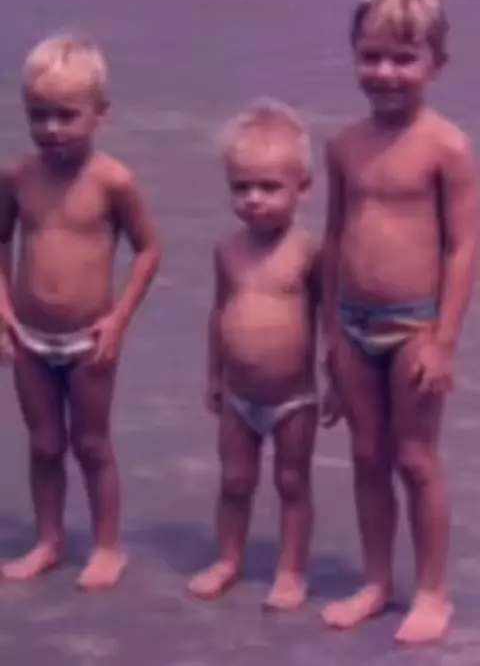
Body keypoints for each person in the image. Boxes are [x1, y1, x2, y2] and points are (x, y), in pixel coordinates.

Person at [320, 0, 477, 644]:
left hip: (414, 324)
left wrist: (443, 341)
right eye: (371, 56)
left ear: (436, 63)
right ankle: (377, 580)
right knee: (365, 456)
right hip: (352, 325)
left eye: (403, 58)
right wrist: (330, 335)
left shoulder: (446, 148)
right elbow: (333, 237)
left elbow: (462, 248)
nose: (384, 72)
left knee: (415, 459)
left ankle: (433, 591)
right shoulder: (343, 145)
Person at [0, 35, 160, 590]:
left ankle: (108, 545)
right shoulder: (17, 178)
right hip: (28, 337)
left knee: (92, 444)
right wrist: (3, 309)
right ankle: (49, 539)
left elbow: (149, 249)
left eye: (66, 115)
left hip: (91, 339)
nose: (51, 128)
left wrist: (118, 320)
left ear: (99, 114)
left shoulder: (113, 181)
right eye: (38, 115)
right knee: (44, 443)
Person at [187, 99, 322, 610]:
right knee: (234, 481)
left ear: (302, 188)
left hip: (294, 397)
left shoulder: (309, 252)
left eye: (269, 187)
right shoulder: (227, 251)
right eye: (241, 187)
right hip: (238, 394)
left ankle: (290, 570)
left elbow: (329, 320)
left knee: (292, 482)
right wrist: (213, 375)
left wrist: (338, 378)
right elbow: (219, 311)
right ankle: (228, 558)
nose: (254, 199)